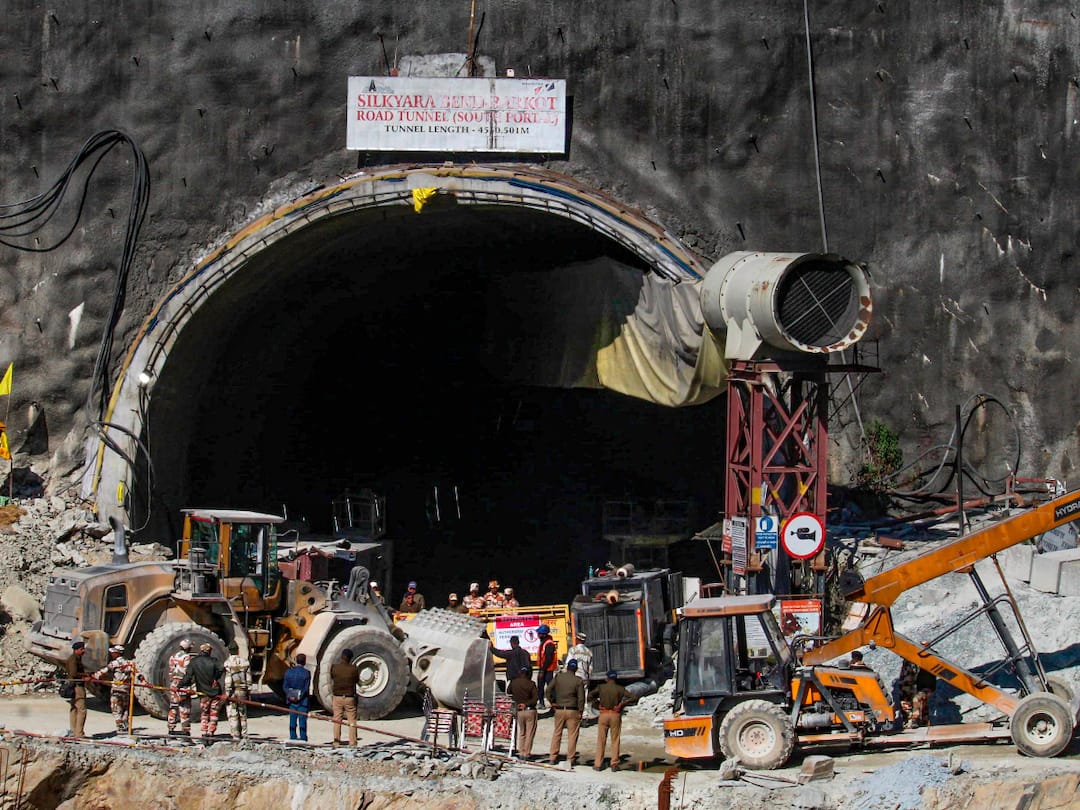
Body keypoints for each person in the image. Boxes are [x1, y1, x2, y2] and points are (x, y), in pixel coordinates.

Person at [589, 670, 635, 770]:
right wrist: (622, 705)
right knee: (615, 739)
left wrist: (597, 705)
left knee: (601, 739)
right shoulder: (620, 688)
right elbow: (633, 697)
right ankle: (614, 763)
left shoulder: (601, 687)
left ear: (607, 678)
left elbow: (590, 696)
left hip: (604, 714)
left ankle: (598, 764)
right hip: (615, 714)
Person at [180, 642, 224, 740]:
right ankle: (210, 733)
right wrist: (216, 678)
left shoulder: (194, 662)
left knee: (204, 713)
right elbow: (221, 668)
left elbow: (187, 677)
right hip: (215, 692)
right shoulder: (214, 661)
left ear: (201, 650)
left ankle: (204, 734)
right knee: (214, 714)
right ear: (209, 651)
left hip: (203, 693)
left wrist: (180, 685)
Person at [546, 659, 586, 766]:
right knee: (572, 735)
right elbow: (581, 698)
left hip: (559, 709)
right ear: (576, 669)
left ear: (567, 667)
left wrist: (552, 702)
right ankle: (570, 759)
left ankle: (553, 757)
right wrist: (581, 711)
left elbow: (548, 690)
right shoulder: (578, 681)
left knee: (557, 733)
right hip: (573, 710)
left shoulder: (558, 677)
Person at [93, 645, 134, 735]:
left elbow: (103, 671)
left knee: (116, 709)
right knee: (125, 708)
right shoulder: (130, 663)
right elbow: (138, 674)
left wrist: (95, 676)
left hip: (117, 689)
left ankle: (120, 727)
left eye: (113, 653)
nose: (112, 654)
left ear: (117, 653)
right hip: (126, 689)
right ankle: (126, 726)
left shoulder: (114, 663)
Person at [330, 648, 360, 747]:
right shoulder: (354, 668)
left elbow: (332, 677)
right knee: (352, 720)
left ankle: (336, 742)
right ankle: (352, 742)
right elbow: (357, 680)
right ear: (350, 658)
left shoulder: (334, 668)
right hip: (349, 697)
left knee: (337, 720)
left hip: (337, 696)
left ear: (341, 656)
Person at [507, 665, 538, 759]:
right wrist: (526, 703)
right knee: (530, 733)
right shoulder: (531, 684)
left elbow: (508, 691)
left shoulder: (514, 682)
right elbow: (535, 698)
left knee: (522, 732)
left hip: (519, 710)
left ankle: (521, 752)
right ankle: (526, 753)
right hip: (530, 710)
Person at [222, 641, 251, 741]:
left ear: (229, 651)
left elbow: (228, 680)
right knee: (243, 713)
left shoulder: (228, 663)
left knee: (233, 713)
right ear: (238, 650)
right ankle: (245, 735)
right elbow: (248, 678)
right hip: (242, 691)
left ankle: (236, 735)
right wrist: (249, 690)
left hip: (233, 692)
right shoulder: (245, 662)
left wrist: (227, 692)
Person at [167, 638, 193, 735]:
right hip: (183, 685)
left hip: (173, 684)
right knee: (184, 708)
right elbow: (188, 672)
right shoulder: (187, 657)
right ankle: (185, 731)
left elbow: (170, 671)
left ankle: (171, 729)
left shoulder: (173, 656)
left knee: (173, 707)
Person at [283, 653, 311, 741]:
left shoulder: (289, 672)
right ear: (305, 662)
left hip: (292, 701)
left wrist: (290, 695)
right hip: (302, 701)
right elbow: (306, 688)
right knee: (302, 722)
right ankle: (303, 740)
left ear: (296, 660)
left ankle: (293, 738)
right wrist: (299, 696)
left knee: (292, 722)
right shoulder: (306, 673)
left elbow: (285, 686)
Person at [65, 640, 88, 738]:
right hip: (77, 686)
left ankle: (74, 731)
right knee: (82, 709)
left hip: (73, 685)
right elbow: (74, 673)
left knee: (74, 708)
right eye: (81, 649)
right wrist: (85, 676)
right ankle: (79, 733)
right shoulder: (73, 659)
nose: (83, 651)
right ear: (76, 650)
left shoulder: (76, 658)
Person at [536, 624, 558, 710]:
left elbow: (548, 659)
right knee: (540, 687)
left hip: (547, 670)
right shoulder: (544, 642)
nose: (538, 635)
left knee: (550, 688)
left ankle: (554, 704)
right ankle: (541, 702)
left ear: (544, 634)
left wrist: (542, 671)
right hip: (544, 668)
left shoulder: (549, 644)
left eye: (539, 633)